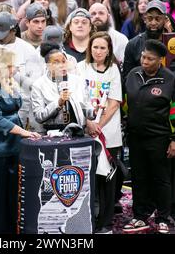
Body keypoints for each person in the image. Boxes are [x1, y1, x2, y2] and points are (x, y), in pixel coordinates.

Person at [0, 47, 41, 234]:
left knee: (10, 196)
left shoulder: (7, 83)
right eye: (11, 66)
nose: (15, 69)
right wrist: (23, 133)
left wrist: (21, 133)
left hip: (12, 146)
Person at [124, 39, 175, 234]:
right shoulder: (132, 75)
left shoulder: (170, 79)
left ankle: (162, 217)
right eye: (143, 56)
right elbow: (126, 105)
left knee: (161, 179)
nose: (144, 61)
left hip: (159, 138)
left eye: (150, 59)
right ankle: (140, 216)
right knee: (139, 177)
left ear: (160, 60)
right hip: (135, 137)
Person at [77, 31, 122, 234]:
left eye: (103, 47)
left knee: (108, 180)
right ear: (89, 48)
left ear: (109, 50)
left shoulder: (113, 70)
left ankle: (105, 222)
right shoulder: (80, 68)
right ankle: (86, 220)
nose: (98, 51)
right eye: (95, 47)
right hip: (85, 132)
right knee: (88, 179)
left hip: (108, 134)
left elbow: (114, 103)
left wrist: (98, 126)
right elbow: (76, 98)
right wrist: (88, 123)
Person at [0, 11, 41, 126]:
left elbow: (35, 85)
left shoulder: (28, 50)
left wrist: (15, 74)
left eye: (3, 33)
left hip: (19, 109)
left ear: (13, 31)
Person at [30, 42, 98, 134]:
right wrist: (58, 103)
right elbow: (39, 117)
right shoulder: (39, 85)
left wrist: (94, 111)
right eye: (56, 62)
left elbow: (85, 108)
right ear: (48, 66)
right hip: (54, 133)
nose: (62, 65)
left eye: (63, 61)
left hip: (79, 132)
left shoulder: (78, 81)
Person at [89, 2, 128, 68]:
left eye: (101, 13)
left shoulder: (120, 39)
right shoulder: (83, 37)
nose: (97, 16)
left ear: (108, 17)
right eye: (93, 14)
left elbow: (123, 66)